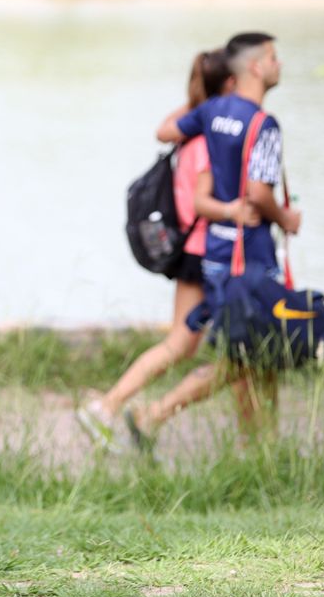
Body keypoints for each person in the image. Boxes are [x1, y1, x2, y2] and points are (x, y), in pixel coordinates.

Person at [124, 31, 302, 448]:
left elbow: (167, 131)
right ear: (256, 67)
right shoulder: (264, 125)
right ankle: (154, 415)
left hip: (218, 255)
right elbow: (259, 193)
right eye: (274, 57)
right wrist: (286, 217)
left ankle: (259, 446)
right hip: (252, 254)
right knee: (247, 357)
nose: (280, 65)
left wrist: (200, 97)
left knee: (258, 355)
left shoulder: (210, 112)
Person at [77, 48, 256, 448]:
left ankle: (115, 408)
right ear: (229, 84)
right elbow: (202, 201)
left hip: (194, 251)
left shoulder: (189, 129)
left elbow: (167, 127)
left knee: (208, 346)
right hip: (204, 253)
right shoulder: (212, 137)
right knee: (210, 346)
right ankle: (111, 407)